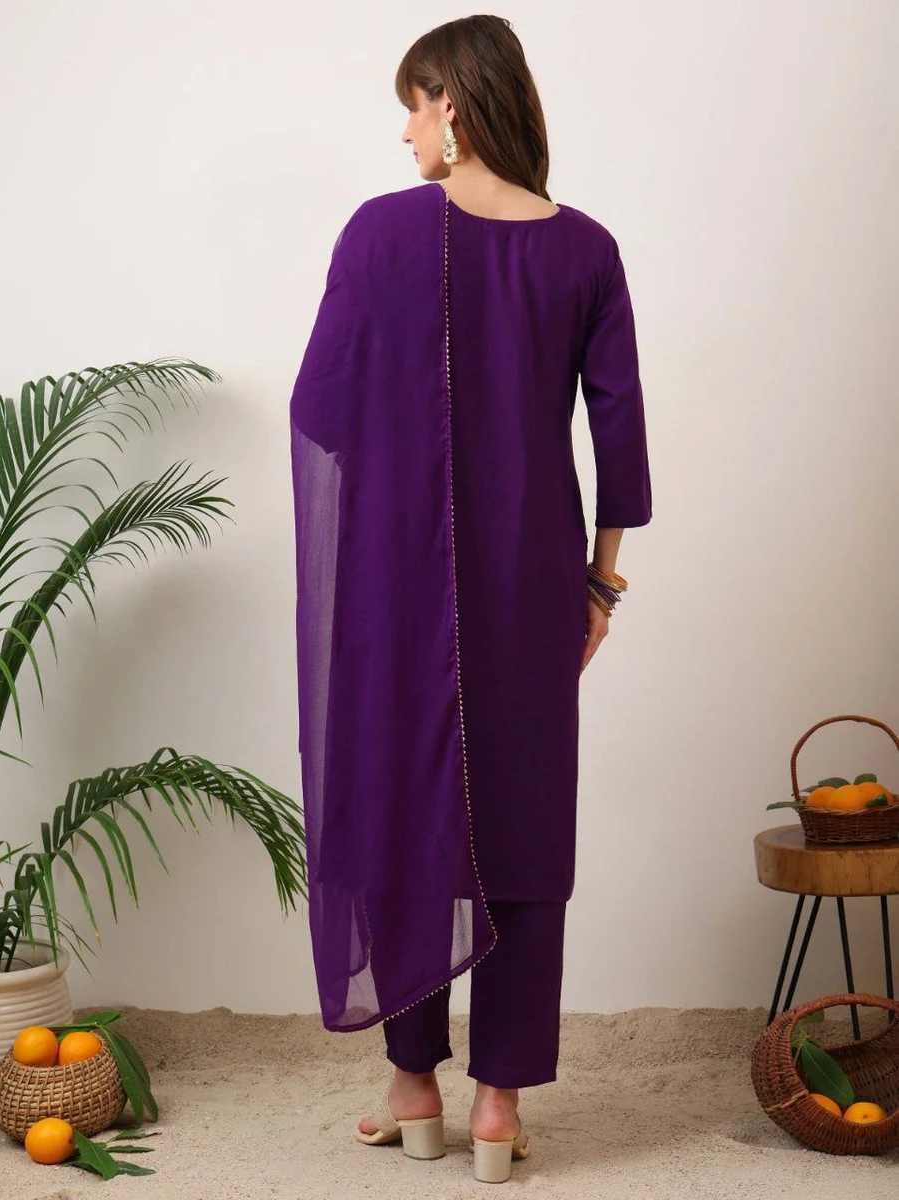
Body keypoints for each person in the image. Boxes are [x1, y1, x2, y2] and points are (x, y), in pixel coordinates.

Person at [289, 14, 652, 1184]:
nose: (404, 131)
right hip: (533, 581)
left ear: (451, 102)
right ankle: (499, 1105)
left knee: (404, 809)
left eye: (412, 104)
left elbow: (320, 409)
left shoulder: (381, 235)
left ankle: (412, 1087)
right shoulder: (586, 250)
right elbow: (618, 434)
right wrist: (600, 585)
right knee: (525, 824)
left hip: (396, 585)